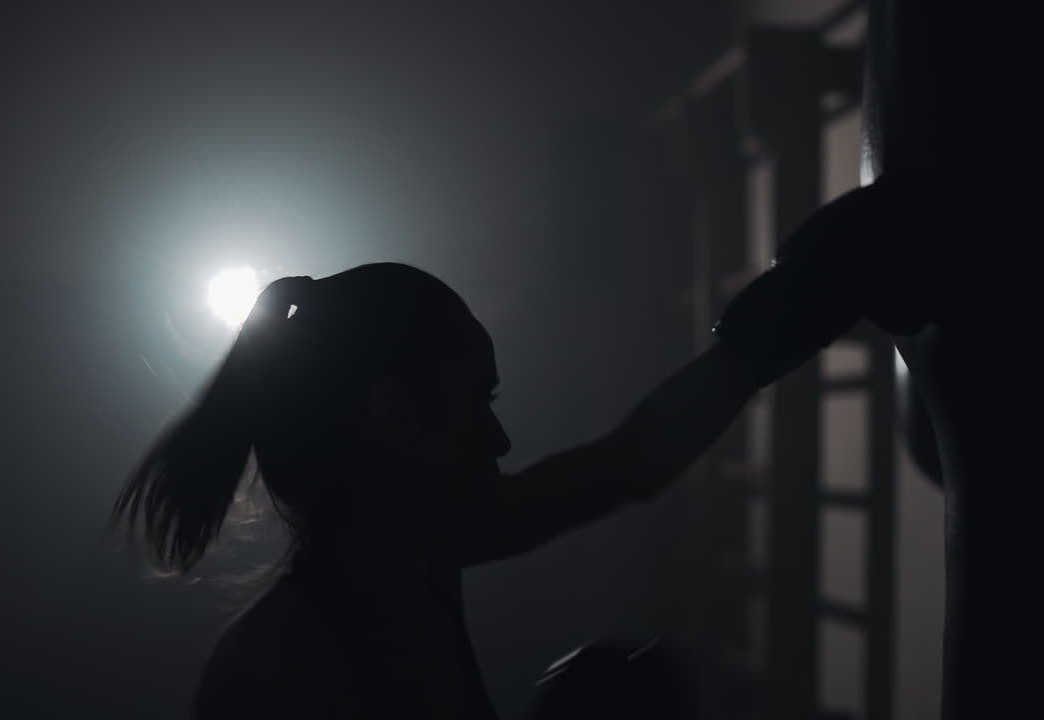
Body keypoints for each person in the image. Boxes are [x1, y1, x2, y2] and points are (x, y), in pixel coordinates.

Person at [112, 182, 906, 718]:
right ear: (394, 414)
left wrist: (786, 315)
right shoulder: (275, 672)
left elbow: (629, 463)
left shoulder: (421, 557)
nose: (500, 440)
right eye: (477, 404)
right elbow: (625, 465)